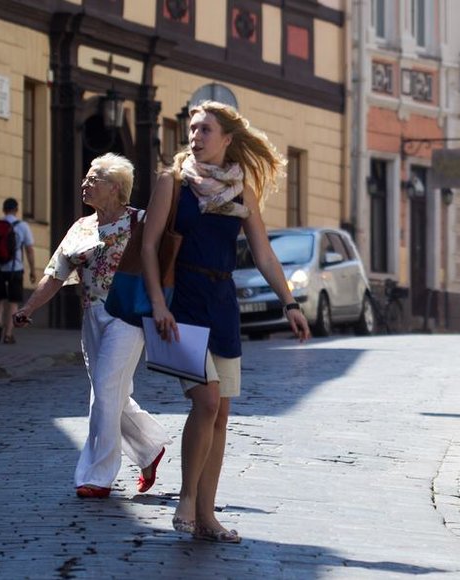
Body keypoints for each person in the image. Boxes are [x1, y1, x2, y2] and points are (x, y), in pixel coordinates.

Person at [142, 101, 310, 543]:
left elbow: (264, 254)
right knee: (207, 401)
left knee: (221, 414)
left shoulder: (241, 191)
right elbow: (148, 246)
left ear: (227, 139)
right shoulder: (171, 182)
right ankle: (186, 498)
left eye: (206, 130)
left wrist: (290, 303)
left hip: (222, 304)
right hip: (180, 305)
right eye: (192, 129)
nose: (195, 137)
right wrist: (158, 305)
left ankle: (207, 515)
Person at [13, 153, 169, 498]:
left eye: (92, 179)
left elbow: (168, 258)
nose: (85, 184)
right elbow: (55, 275)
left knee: (103, 390)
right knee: (111, 394)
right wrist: (27, 308)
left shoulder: (140, 222)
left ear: (115, 188)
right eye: (85, 179)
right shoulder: (80, 227)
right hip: (92, 317)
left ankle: (96, 476)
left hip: (128, 317)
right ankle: (149, 448)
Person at [0, 198, 36, 344]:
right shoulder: (23, 226)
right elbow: (29, 250)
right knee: (13, 301)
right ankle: (8, 334)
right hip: (15, 269)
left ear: (3, 209)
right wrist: (32, 270)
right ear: (16, 210)